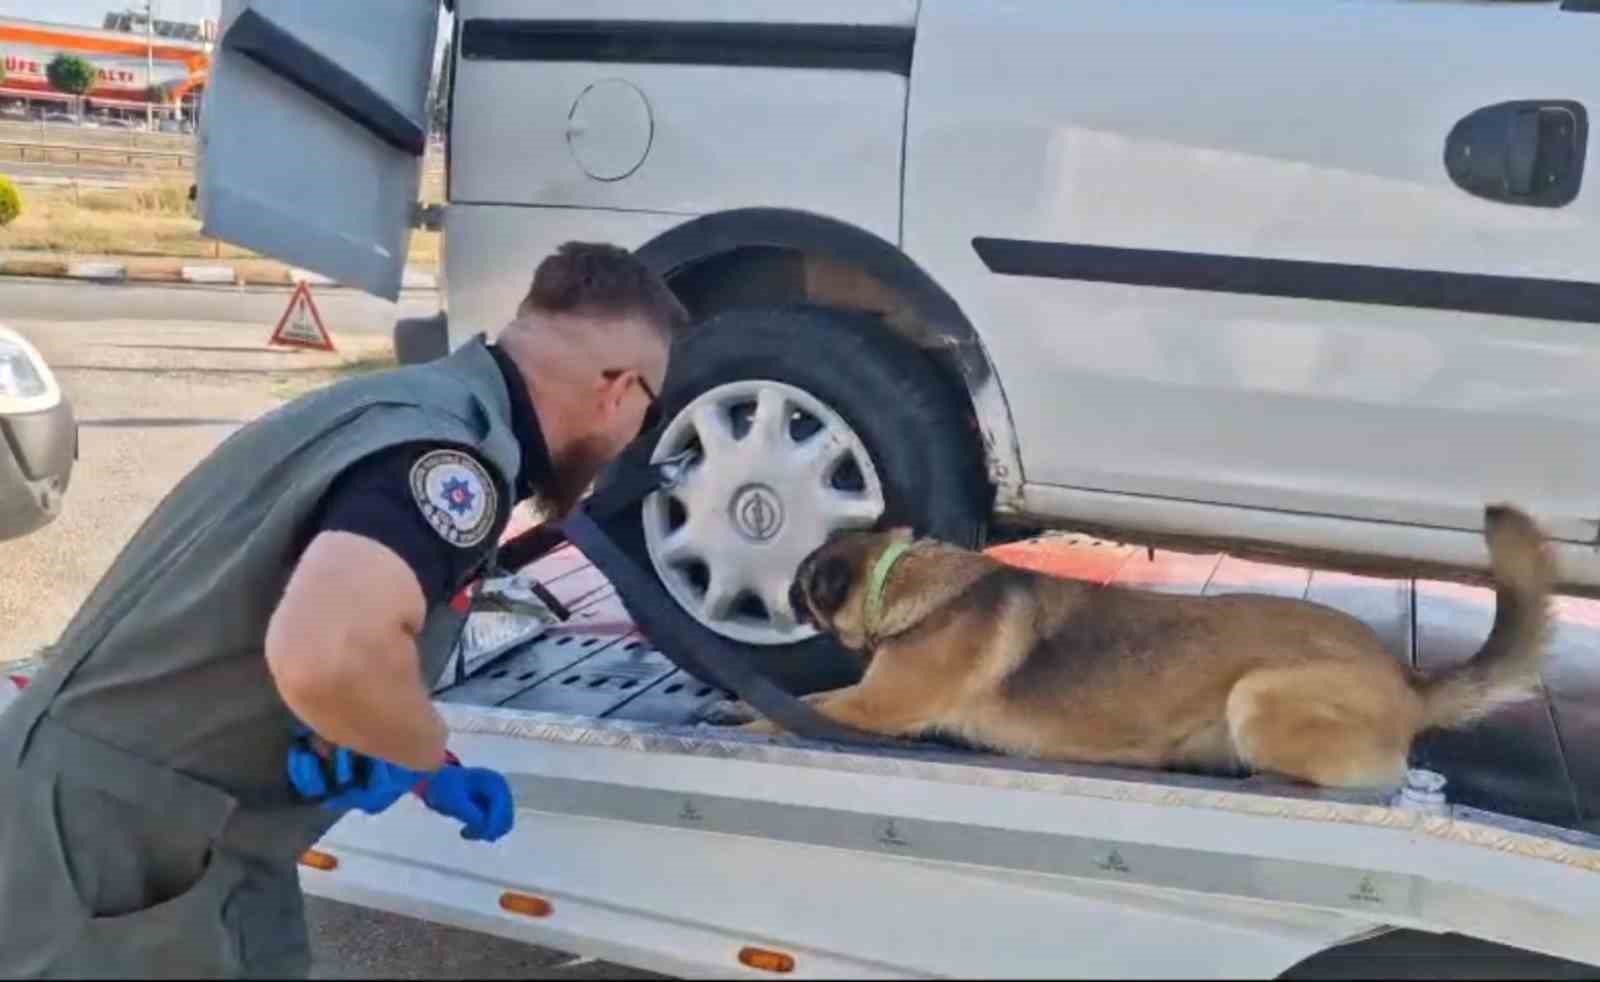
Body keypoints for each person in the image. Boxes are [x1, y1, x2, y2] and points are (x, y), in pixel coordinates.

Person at [0, 242, 688, 978]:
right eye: (646, 420)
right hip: (115, 848)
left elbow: (283, 618)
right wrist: (411, 746)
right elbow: (330, 656)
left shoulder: (399, 406)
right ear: (618, 390)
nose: (629, 443)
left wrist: (419, 763)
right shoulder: (454, 462)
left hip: (140, 820)